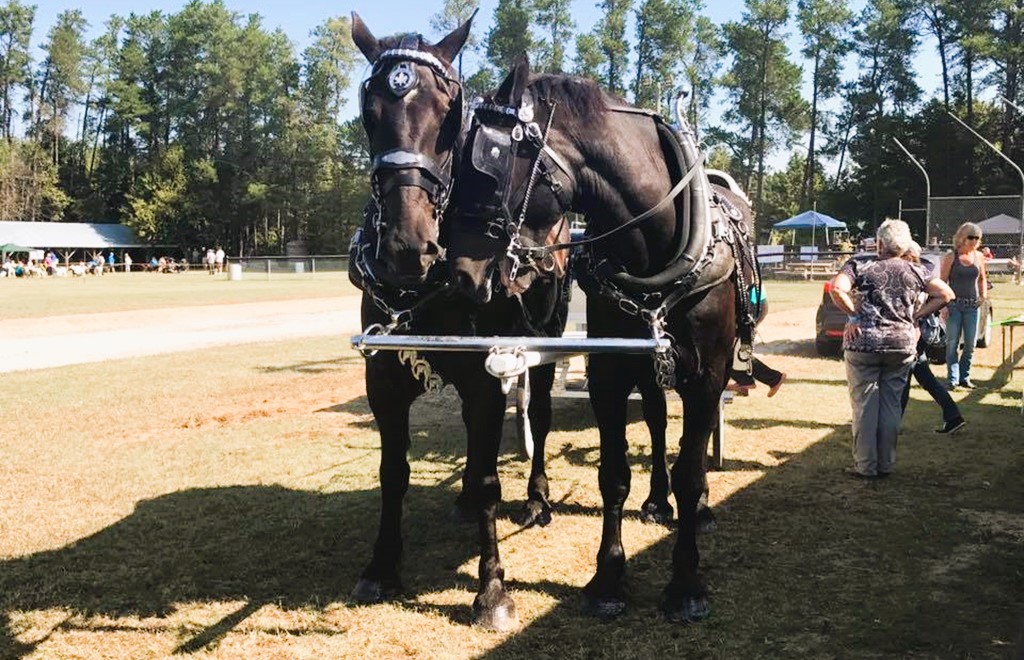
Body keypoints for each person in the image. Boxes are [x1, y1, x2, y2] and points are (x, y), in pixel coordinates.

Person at [829, 219, 954, 479]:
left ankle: (865, 466)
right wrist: (916, 315)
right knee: (891, 406)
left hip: (863, 344)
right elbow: (946, 294)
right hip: (901, 346)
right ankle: (885, 464)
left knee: (865, 406)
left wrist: (854, 315)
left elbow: (837, 289)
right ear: (905, 245)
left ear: (879, 243)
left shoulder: (860, 265)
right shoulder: (917, 270)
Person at [899, 242, 965, 434]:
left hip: (913, 333)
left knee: (904, 380)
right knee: (925, 378)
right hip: (916, 334)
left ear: (908, 256)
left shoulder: (914, 276)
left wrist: (917, 316)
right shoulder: (922, 273)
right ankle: (953, 416)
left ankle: (892, 423)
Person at [940, 222, 988, 390]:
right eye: (971, 237)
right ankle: (952, 379)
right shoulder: (951, 257)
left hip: (972, 306)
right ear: (962, 237)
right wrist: (943, 305)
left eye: (977, 238)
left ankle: (964, 377)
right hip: (954, 305)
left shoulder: (979, 256)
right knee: (952, 343)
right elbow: (942, 282)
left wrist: (983, 296)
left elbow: (982, 278)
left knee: (970, 344)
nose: (974, 241)